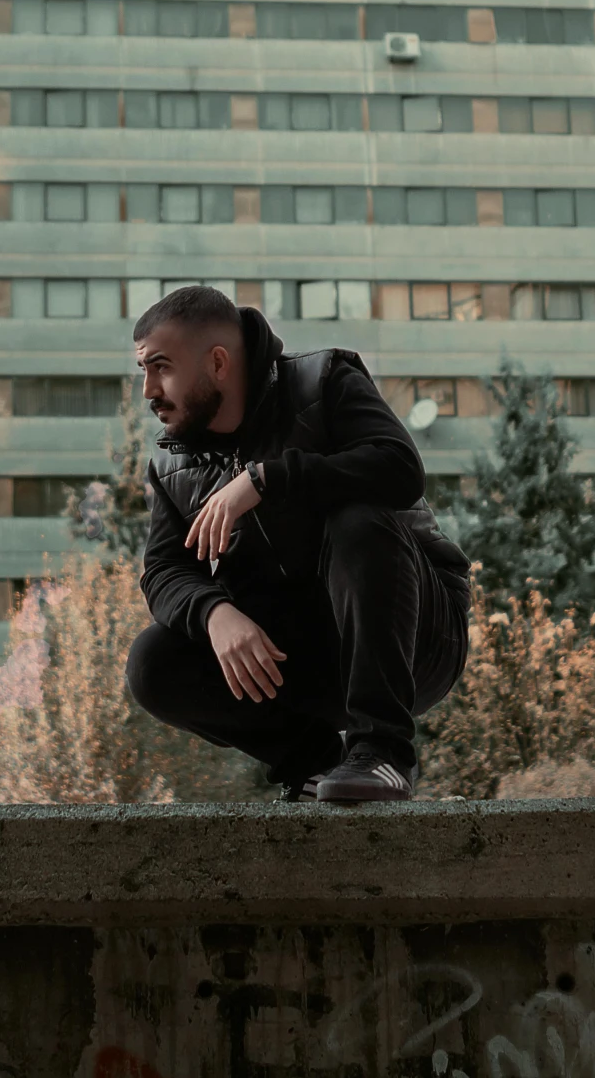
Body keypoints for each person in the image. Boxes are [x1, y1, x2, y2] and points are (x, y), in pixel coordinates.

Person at [122, 285, 471, 802]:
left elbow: (399, 468)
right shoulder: (174, 466)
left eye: (162, 367)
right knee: (153, 661)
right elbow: (164, 571)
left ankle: (383, 753)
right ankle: (314, 764)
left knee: (357, 520)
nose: (149, 389)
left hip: (413, 634)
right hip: (300, 655)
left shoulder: (323, 383)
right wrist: (216, 613)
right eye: (144, 371)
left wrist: (266, 480)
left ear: (218, 362)